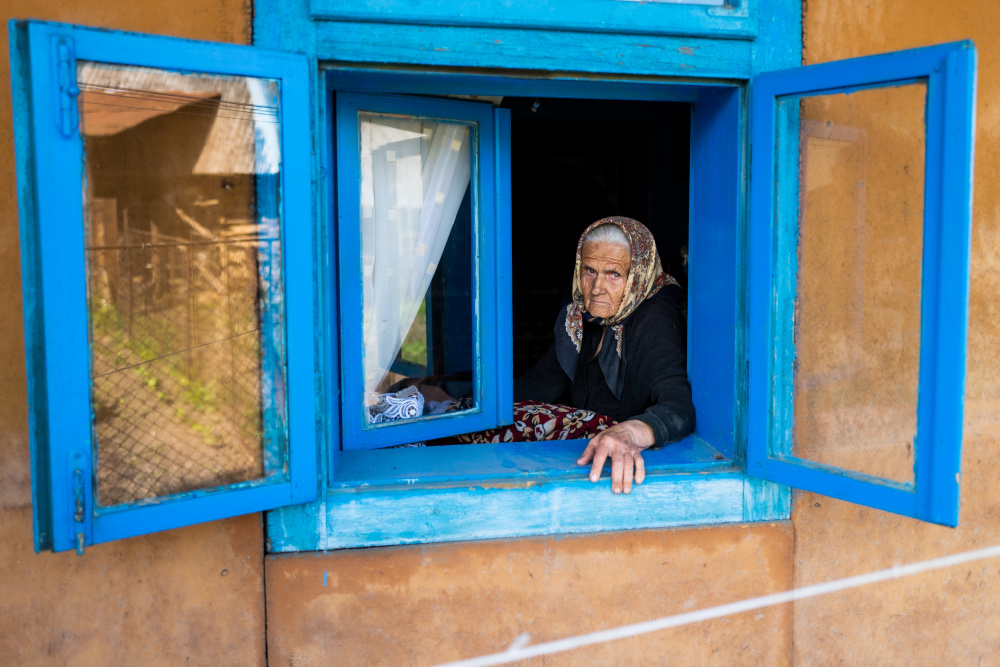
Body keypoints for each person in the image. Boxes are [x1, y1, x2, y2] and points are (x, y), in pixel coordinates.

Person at [512, 216, 695, 494]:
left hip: (625, 479)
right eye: (589, 271)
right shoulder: (580, 319)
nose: (597, 288)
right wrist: (464, 403)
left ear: (637, 274)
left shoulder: (654, 319)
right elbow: (537, 386)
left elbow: (678, 407)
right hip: (578, 467)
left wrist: (629, 433)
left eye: (614, 274)